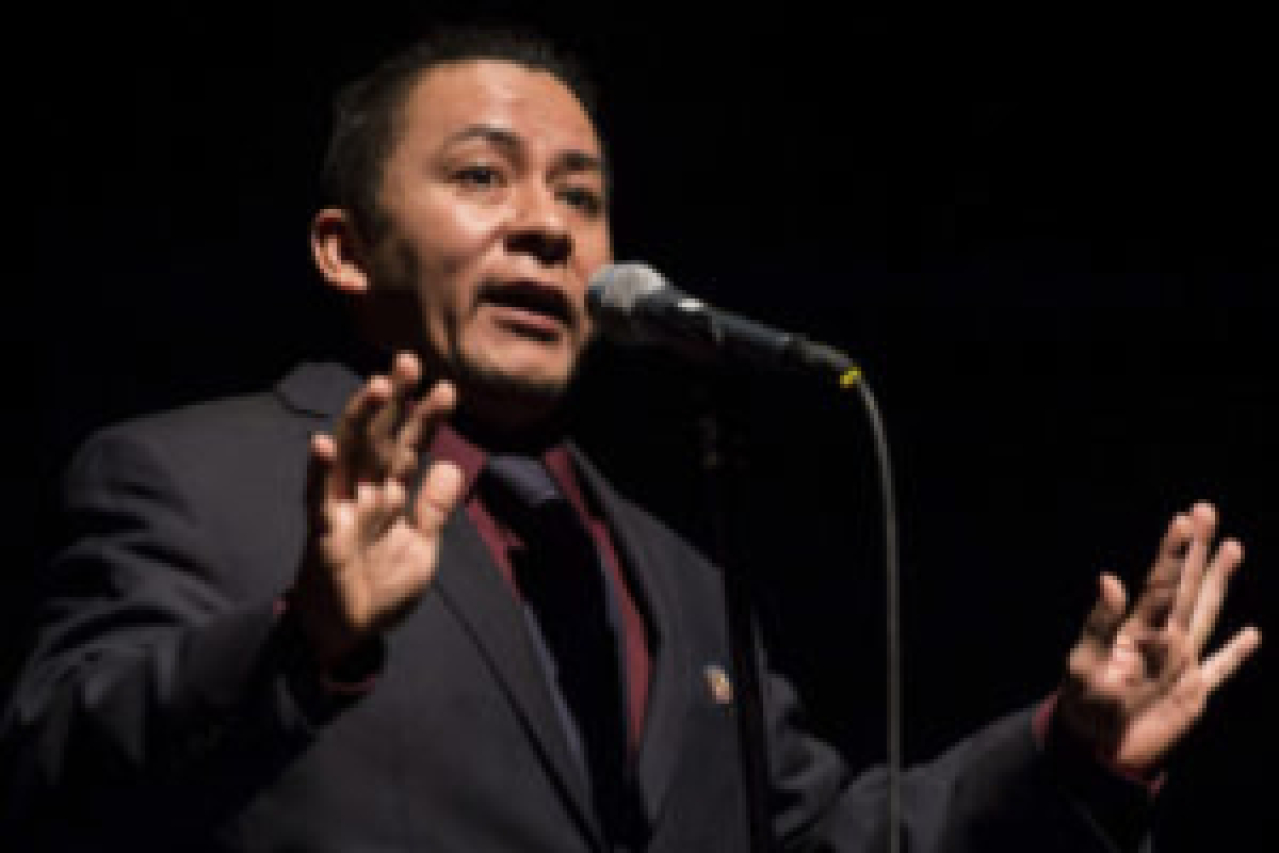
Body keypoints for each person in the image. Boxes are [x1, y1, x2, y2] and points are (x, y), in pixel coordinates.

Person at [1, 25, 1260, 852]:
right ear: (345, 248)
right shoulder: (190, 476)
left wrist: (1065, 757)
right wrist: (304, 643)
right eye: (482, 176)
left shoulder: (681, 577)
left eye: (582, 195)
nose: (547, 226)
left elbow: (815, 838)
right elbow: (55, 781)